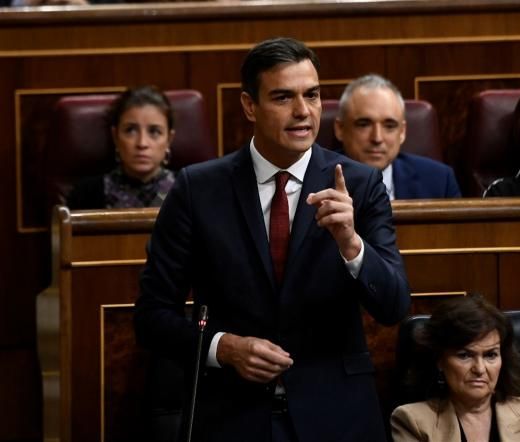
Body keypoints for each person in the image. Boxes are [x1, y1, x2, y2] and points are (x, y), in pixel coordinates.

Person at [134, 37, 411, 442]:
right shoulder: (198, 190)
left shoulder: (360, 185)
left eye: (312, 95)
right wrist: (223, 347)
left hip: (338, 418)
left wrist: (352, 245)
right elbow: (152, 318)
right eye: (283, 97)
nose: (303, 112)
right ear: (250, 106)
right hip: (234, 418)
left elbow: (393, 306)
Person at [391, 294, 520, 442]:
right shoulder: (413, 422)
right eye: (465, 355)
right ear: (440, 360)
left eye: (490, 355)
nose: (480, 369)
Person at [334, 74, 460, 199]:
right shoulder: (316, 180)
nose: (377, 138)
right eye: (364, 124)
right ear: (340, 129)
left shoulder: (440, 181)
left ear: (402, 132)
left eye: (389, 126)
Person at [65, 85, 176, 209]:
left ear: (169, 139)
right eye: (130, 130)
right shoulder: (85, 195)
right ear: (115, 137)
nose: (142, 143)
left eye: (154, 132)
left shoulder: (190, 192)